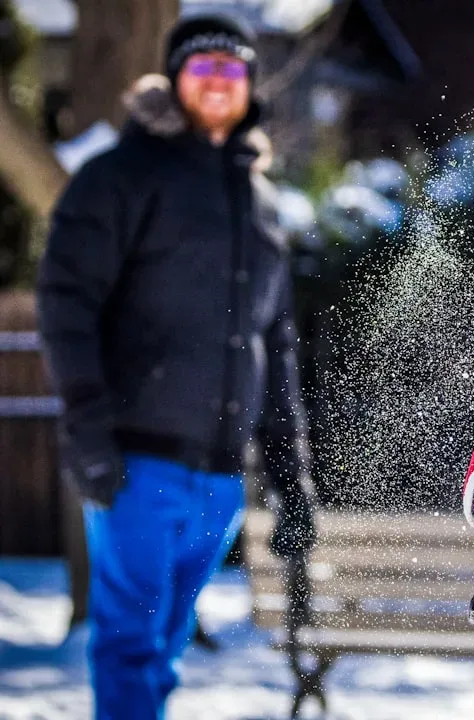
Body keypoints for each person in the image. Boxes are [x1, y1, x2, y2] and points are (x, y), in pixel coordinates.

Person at [36, 13, 316, 719]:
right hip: (137, 463)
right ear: (176, 80)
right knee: (131, 642)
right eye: (203, 68)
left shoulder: (261, 201)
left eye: (232, 69)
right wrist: (89, 436)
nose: (218, 81)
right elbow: (67, 306)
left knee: (164, 645)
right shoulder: (120, 176)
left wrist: (291, 475)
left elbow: (274, 344)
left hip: (221, 478)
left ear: (249, 86)